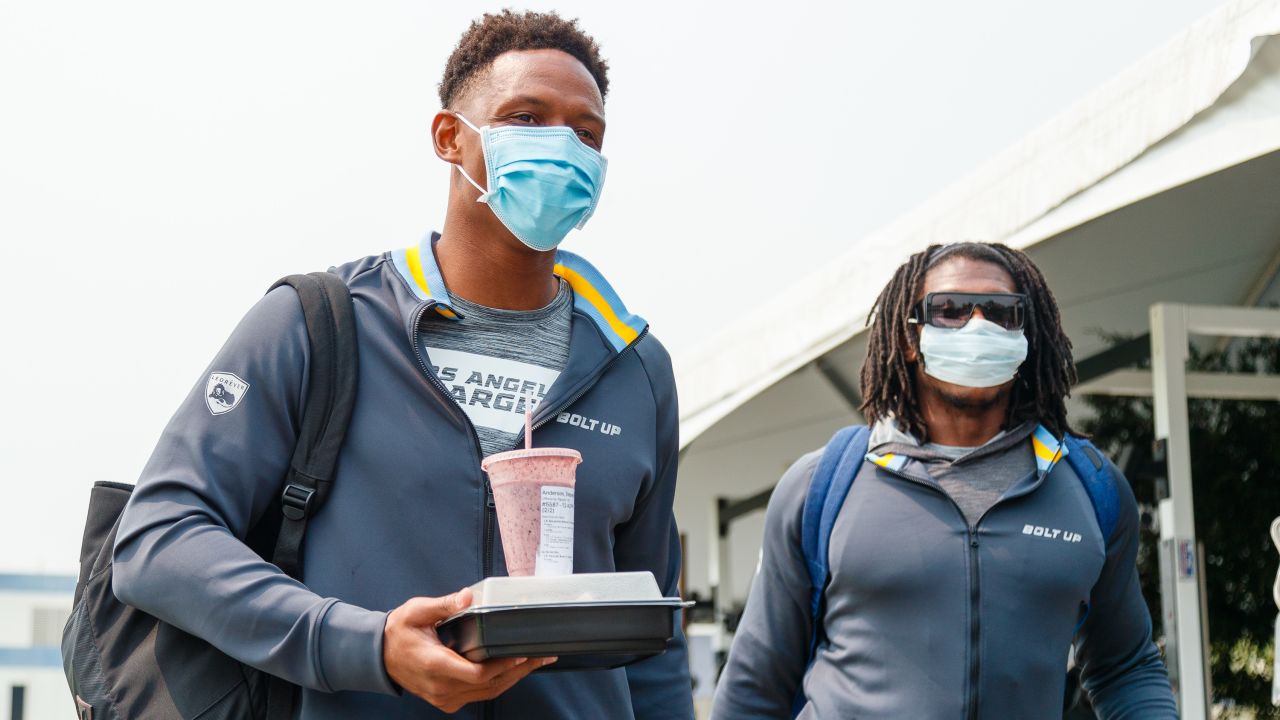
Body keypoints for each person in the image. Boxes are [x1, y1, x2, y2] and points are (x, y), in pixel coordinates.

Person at [113, 10, 692, 719]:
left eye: (586, 134)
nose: (560, 148)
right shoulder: (319, 323)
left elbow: (654, 638)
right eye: (526, 117)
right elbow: (157, 538)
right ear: (450, 137)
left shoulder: (637, 369)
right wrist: (365, 644)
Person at [712, 242, 1176, 719]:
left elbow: (1126, 667)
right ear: (910, 338)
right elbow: (755, 684)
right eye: (949, 310)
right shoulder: (823, 484)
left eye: (1001, 312)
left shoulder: (1090, 487)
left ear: (1027, 336)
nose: (977, 326)